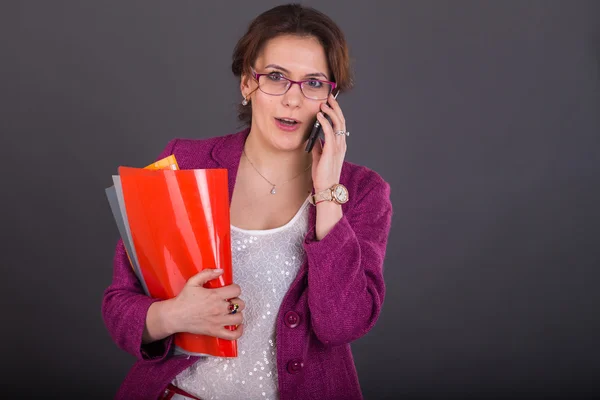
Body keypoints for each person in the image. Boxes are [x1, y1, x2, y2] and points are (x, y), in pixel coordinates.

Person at [101, 4, 393, 400]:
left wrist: (326, 194)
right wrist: (176, 315)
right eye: (276, 77)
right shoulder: (183, 162)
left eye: (313, 83)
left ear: (331, 97)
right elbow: (119, 306)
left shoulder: (361, 191)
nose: (293, 99)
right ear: (246, 83)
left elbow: (341, 325)